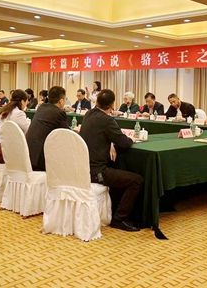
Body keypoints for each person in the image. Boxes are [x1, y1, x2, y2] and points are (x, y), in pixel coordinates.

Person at [80, 89, 143, 232]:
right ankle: (118, 219)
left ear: (97, 102)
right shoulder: (107, 120)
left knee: (118, 172)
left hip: (84, 168)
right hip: (97, 172)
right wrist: (130, 139)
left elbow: (100, 136)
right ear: (112, 105)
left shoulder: (89, 114)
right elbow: (124, 142)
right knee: (136, 180)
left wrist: (111, 144)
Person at [25, 86, 69, 171]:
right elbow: (67, 134)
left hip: (29, 155)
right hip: (41, 161)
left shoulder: (41, 108)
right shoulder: (59, 113)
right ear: (61, 101)